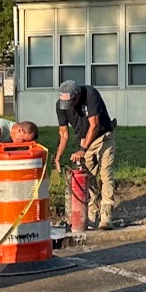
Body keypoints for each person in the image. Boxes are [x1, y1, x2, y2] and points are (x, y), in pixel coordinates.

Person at [54, 79, 117, 229]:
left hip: (103, 136)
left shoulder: (90, 94)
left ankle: (106, 216)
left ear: (77, 95)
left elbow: (94, 126)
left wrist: (82, 150)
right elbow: (64, 134)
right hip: (84, 140)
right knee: (87, 177)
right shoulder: (61, 106)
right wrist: (57, 157)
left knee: (105, 173)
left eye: (71, 102)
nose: (68, 107)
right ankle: (91, 214)